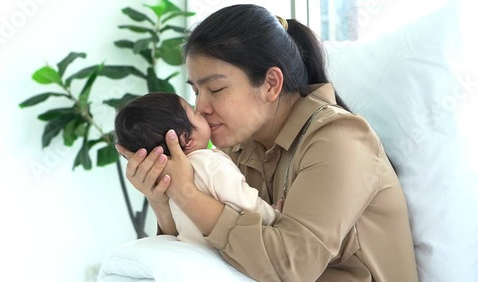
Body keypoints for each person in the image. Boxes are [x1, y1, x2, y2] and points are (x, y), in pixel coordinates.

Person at [116, 4, 419, 282]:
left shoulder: (338, 139)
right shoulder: (237, 147)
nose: (202, 107)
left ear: (271, 84)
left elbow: (289, 268)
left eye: (217, 89)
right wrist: (162, 197)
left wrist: (187, 194)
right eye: (196, 91)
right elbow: (202, 247)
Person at [114, 92, 278, 248]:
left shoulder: (166, 179)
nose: (200, 110)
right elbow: (245, 201)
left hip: (193, 256)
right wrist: (273, 215)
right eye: (194, 112)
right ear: (187, 139)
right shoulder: (211, 163)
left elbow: (172, 232)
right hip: (227, 255)